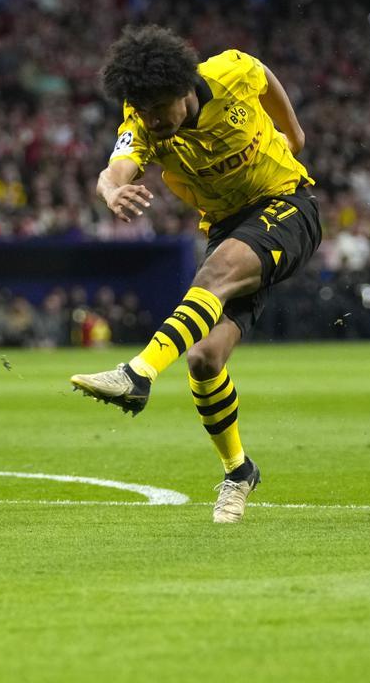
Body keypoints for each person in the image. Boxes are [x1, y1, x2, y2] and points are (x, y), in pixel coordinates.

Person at [69, 25, 321, 524]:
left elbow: (263, 73)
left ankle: (137, 373)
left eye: (160, 108)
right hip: (229, 227)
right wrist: (111, 192)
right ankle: (238, 471)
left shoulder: (228, 73)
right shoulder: (139, 119)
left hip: (287, 205)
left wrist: (293, 133)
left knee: (216, 272)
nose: (153, 120)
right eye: (143, 110)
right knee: (204, 360)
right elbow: (115, 166)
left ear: (185, 89)